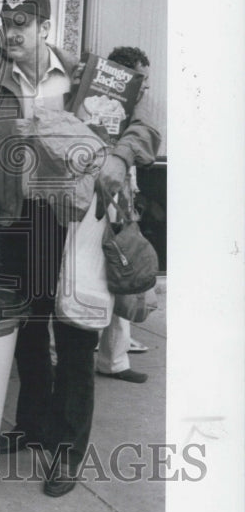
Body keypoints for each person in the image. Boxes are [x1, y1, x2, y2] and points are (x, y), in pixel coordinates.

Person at [0, 0, 161, 497]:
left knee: (78, 339)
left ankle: (68, 449)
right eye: (5, 21)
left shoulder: (90, 78)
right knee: (30, 334)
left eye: (21, 23)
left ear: (44, 28)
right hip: (19, 223)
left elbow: (147, 131)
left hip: (78, 226)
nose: (10, 31)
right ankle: (33, 425)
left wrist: (119, 156)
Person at [96, 46, 160, 384]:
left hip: (119, 199)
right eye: (141, 81)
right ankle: (107, 358)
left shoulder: (134, 110)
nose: (146, 89)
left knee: (123, 274)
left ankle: (115, 360)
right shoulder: (93, 100)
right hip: (93, 199)